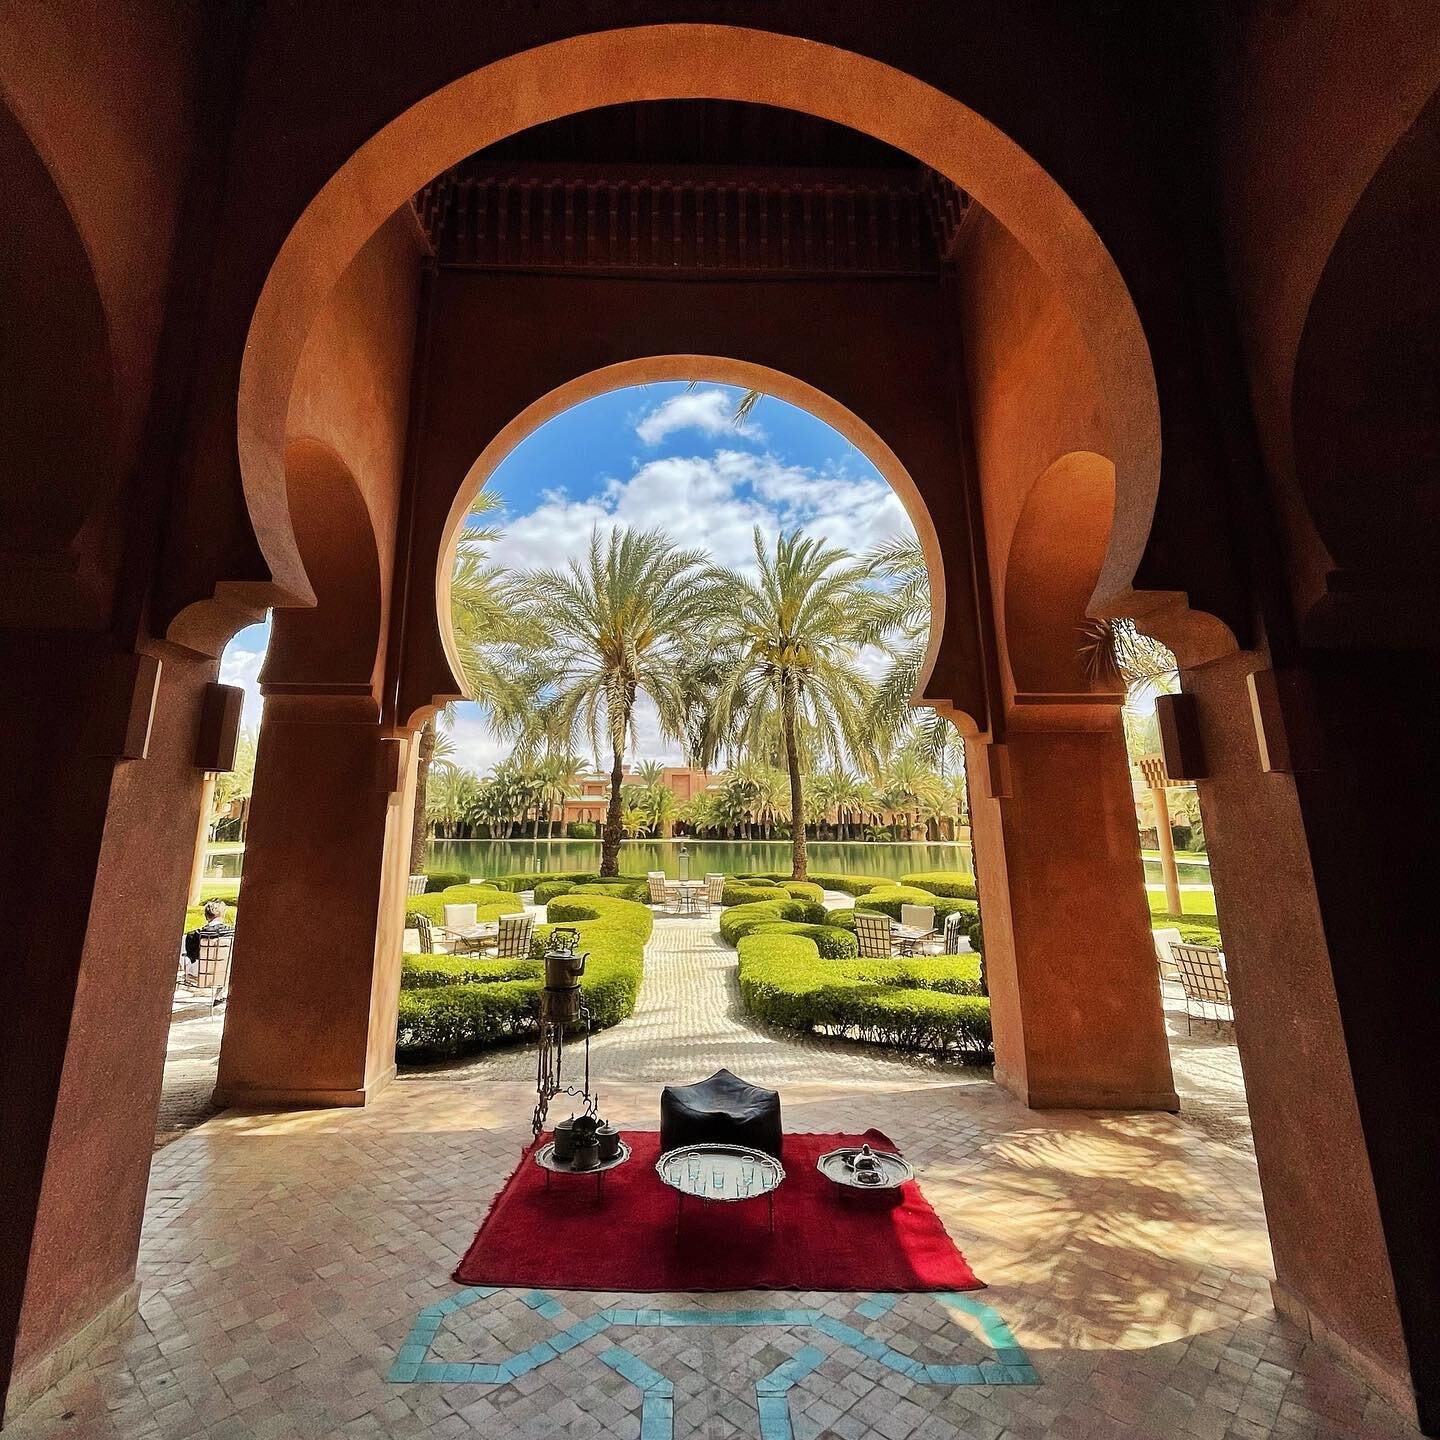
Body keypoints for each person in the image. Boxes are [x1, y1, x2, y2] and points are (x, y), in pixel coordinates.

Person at [183, 899, 234, 975]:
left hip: (200, 972)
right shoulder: (231, 932)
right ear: (223, 914)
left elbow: (191, 955)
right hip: (224, 971)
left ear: (206, 915)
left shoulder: (194, 935)